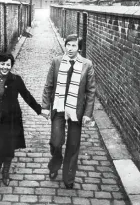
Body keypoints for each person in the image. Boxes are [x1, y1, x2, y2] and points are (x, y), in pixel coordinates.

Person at [0, 53, 49, 186]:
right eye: (2, 64)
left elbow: (26, 95)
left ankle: (5, 172)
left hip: (12, 118)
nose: (5, 67)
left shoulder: (16, 79)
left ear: (11, 66)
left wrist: (39, 110)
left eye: (8, 64)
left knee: (9, 145)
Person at [42, 34, 96, 189]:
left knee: (73, 144)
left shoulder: (87, 65)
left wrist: (87, 113)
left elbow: (91, 91)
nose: (70, 49)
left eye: (74, 46)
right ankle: (55, 163)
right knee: (56, 141)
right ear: (65, 46)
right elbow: (48, 86)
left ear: (79, 48)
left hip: (76, 110)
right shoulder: (57, 62)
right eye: (68, 45)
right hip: (58, 106)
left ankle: (68, 178)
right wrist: (45, 107)